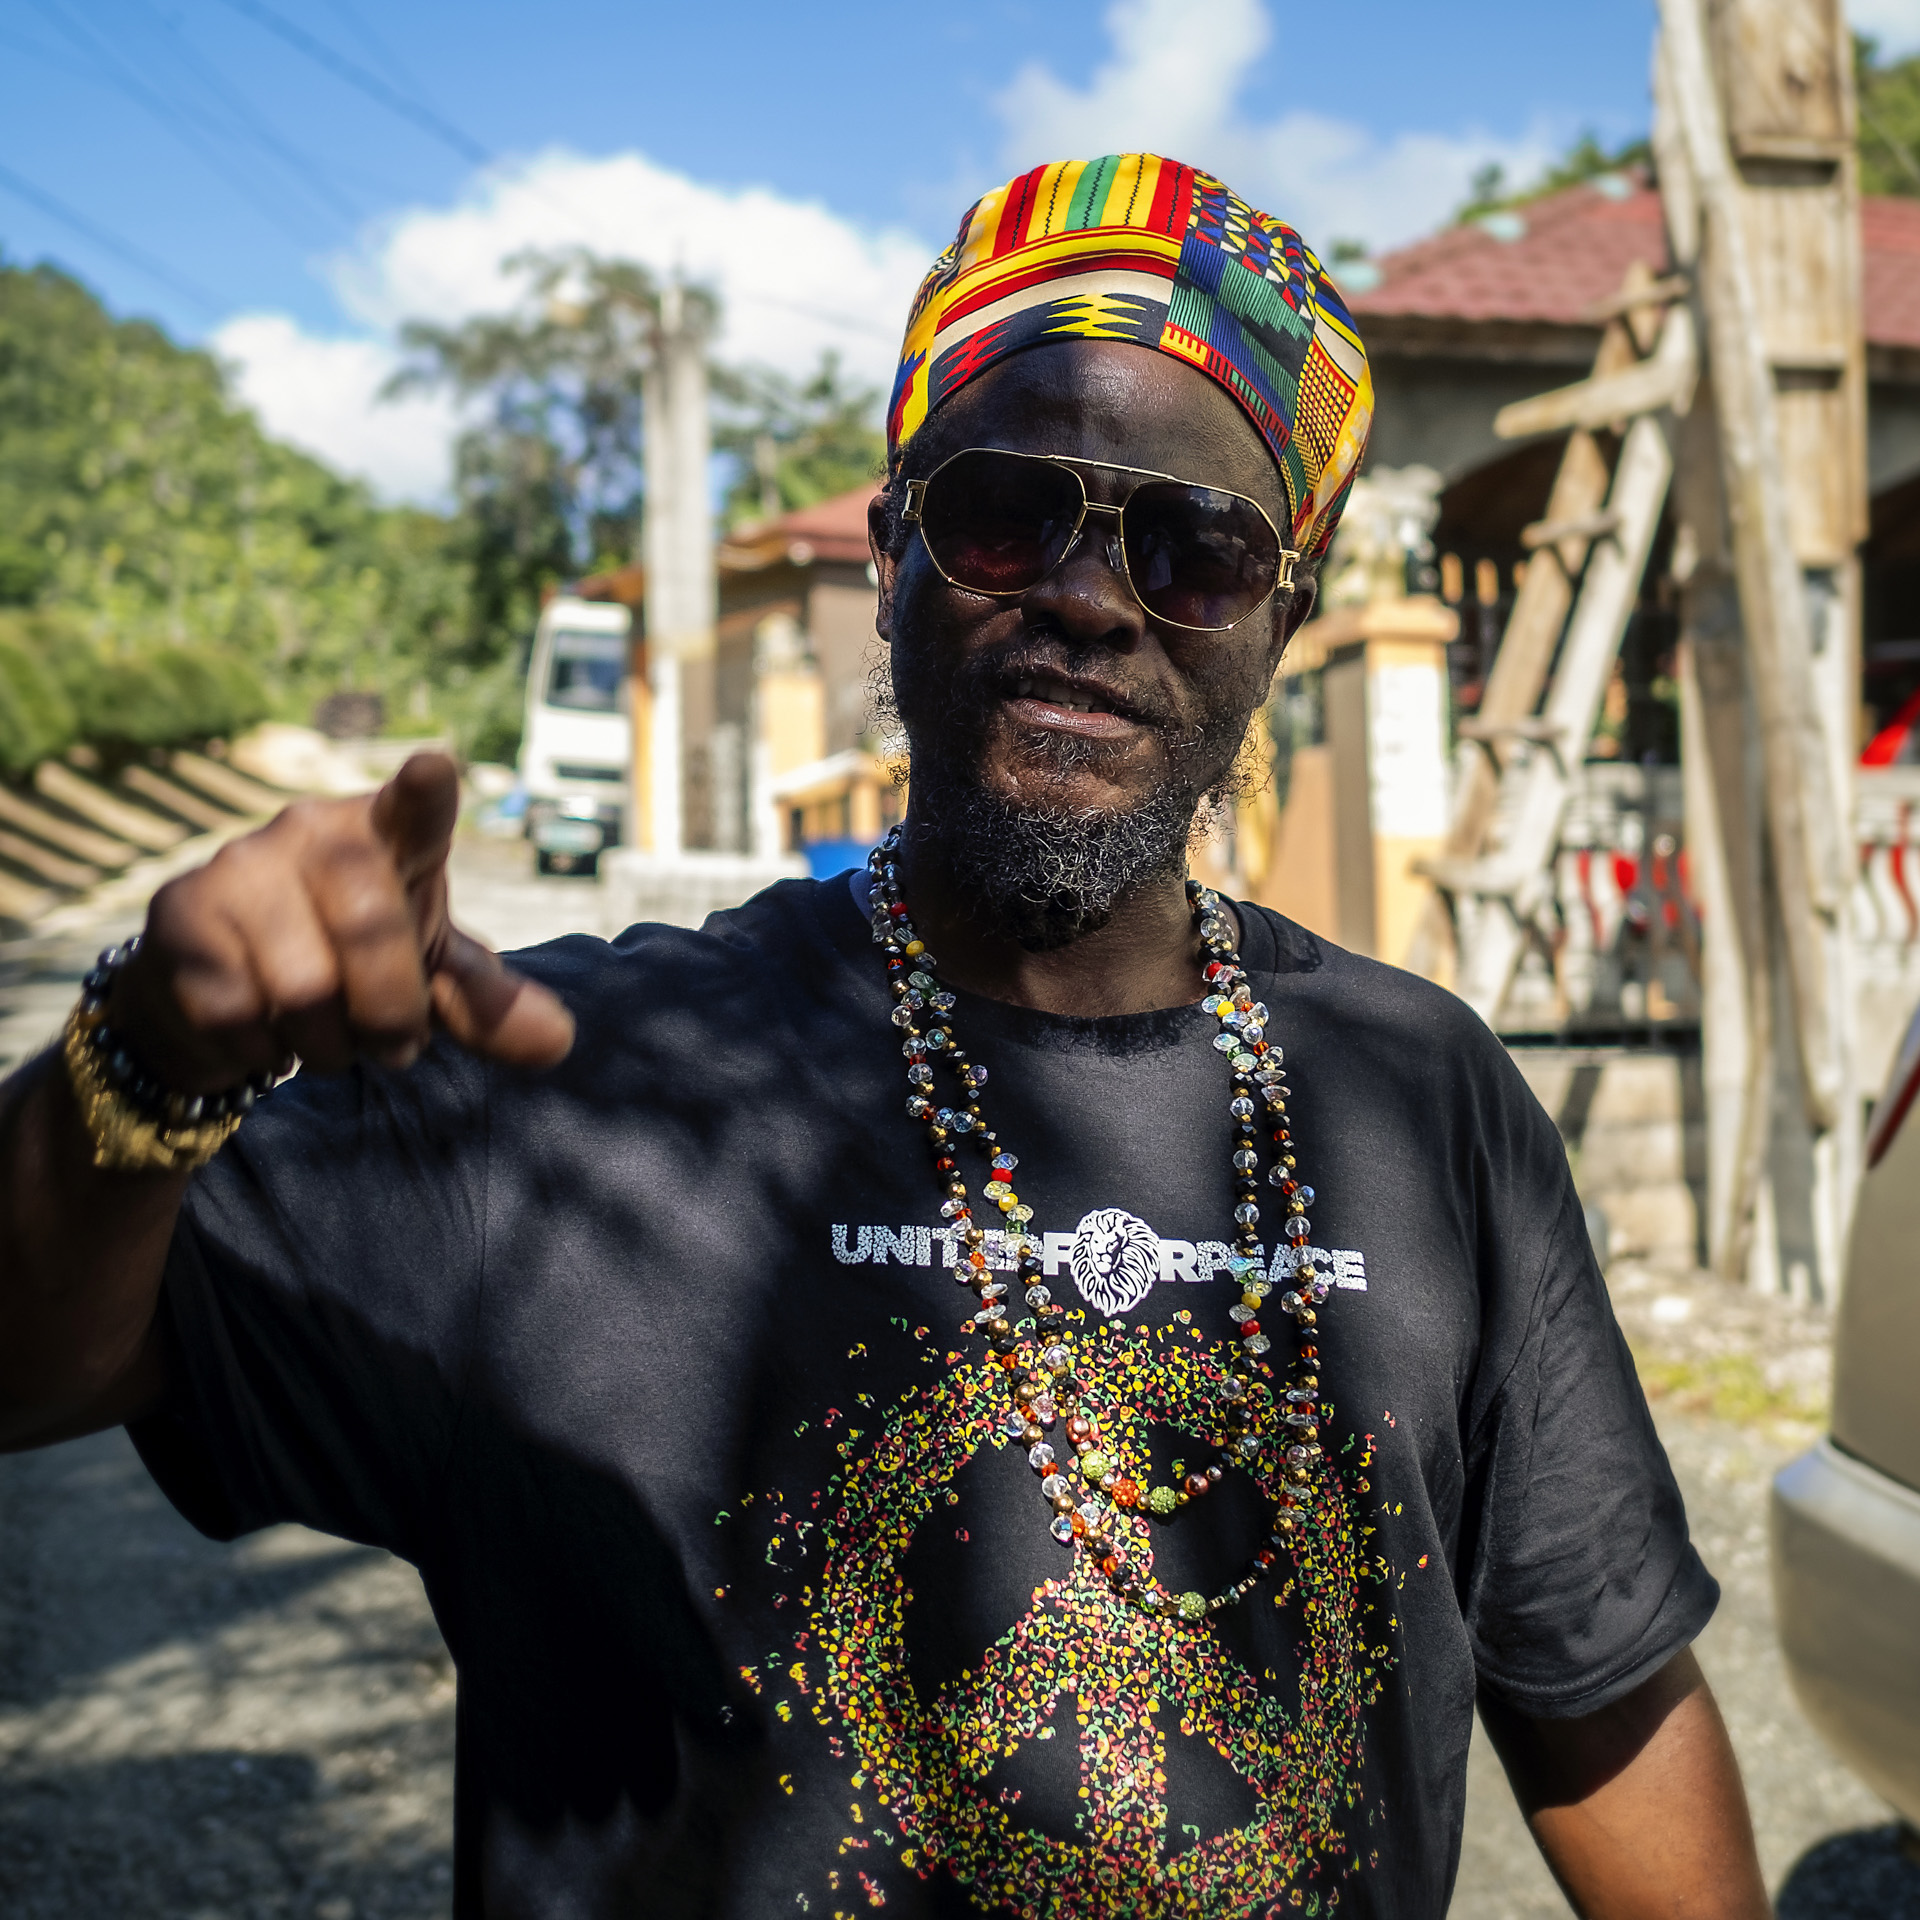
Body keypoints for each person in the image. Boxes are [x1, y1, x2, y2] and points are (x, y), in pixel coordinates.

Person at [0, 154, 1767, 1919]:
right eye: (1010, 509)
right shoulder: (572, 1084)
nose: (1092, 595)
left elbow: (1599, 1687)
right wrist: (144, 1064)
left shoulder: (1424, 1099)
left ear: (1284, 620)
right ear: (891, 549)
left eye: (1197, 547)